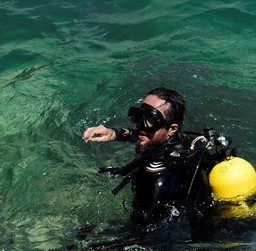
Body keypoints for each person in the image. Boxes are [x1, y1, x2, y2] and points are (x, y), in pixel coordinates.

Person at [82, 87, 213, 229]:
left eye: (150, 119)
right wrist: (113, 133)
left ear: (172, 129)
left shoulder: (158, 176)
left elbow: (141, 235)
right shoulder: (184, 144)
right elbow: (146, 134)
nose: (140, 125)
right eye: (139, 115)